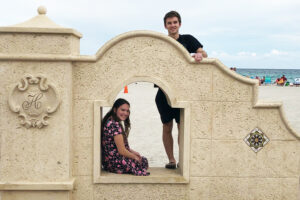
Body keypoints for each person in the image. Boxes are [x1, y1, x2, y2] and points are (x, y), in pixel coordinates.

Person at [155, 11, 208, 169]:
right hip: (163, 91)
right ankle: (171, 160)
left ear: (180, 24)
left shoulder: (188, 39)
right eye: (169, 23)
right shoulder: (162, 42)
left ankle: (182, 159)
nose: (172, 25)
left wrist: (198, 55)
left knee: (181, 127)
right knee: (167, 126)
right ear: (165, 25)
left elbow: (203, 53)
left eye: (175, 22)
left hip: (182, 90)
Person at [101, 98, 150, 176]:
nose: (125, 113)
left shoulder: (110, 121)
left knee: (141, 159)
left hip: (108, 162)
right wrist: (134, 157)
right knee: (143, 161)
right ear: (115, 110)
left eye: (127, 111)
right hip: (115, 163)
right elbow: (122, 151)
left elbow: (117, 146)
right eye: (122, 110)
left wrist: (133, 152)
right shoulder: (115, 125)